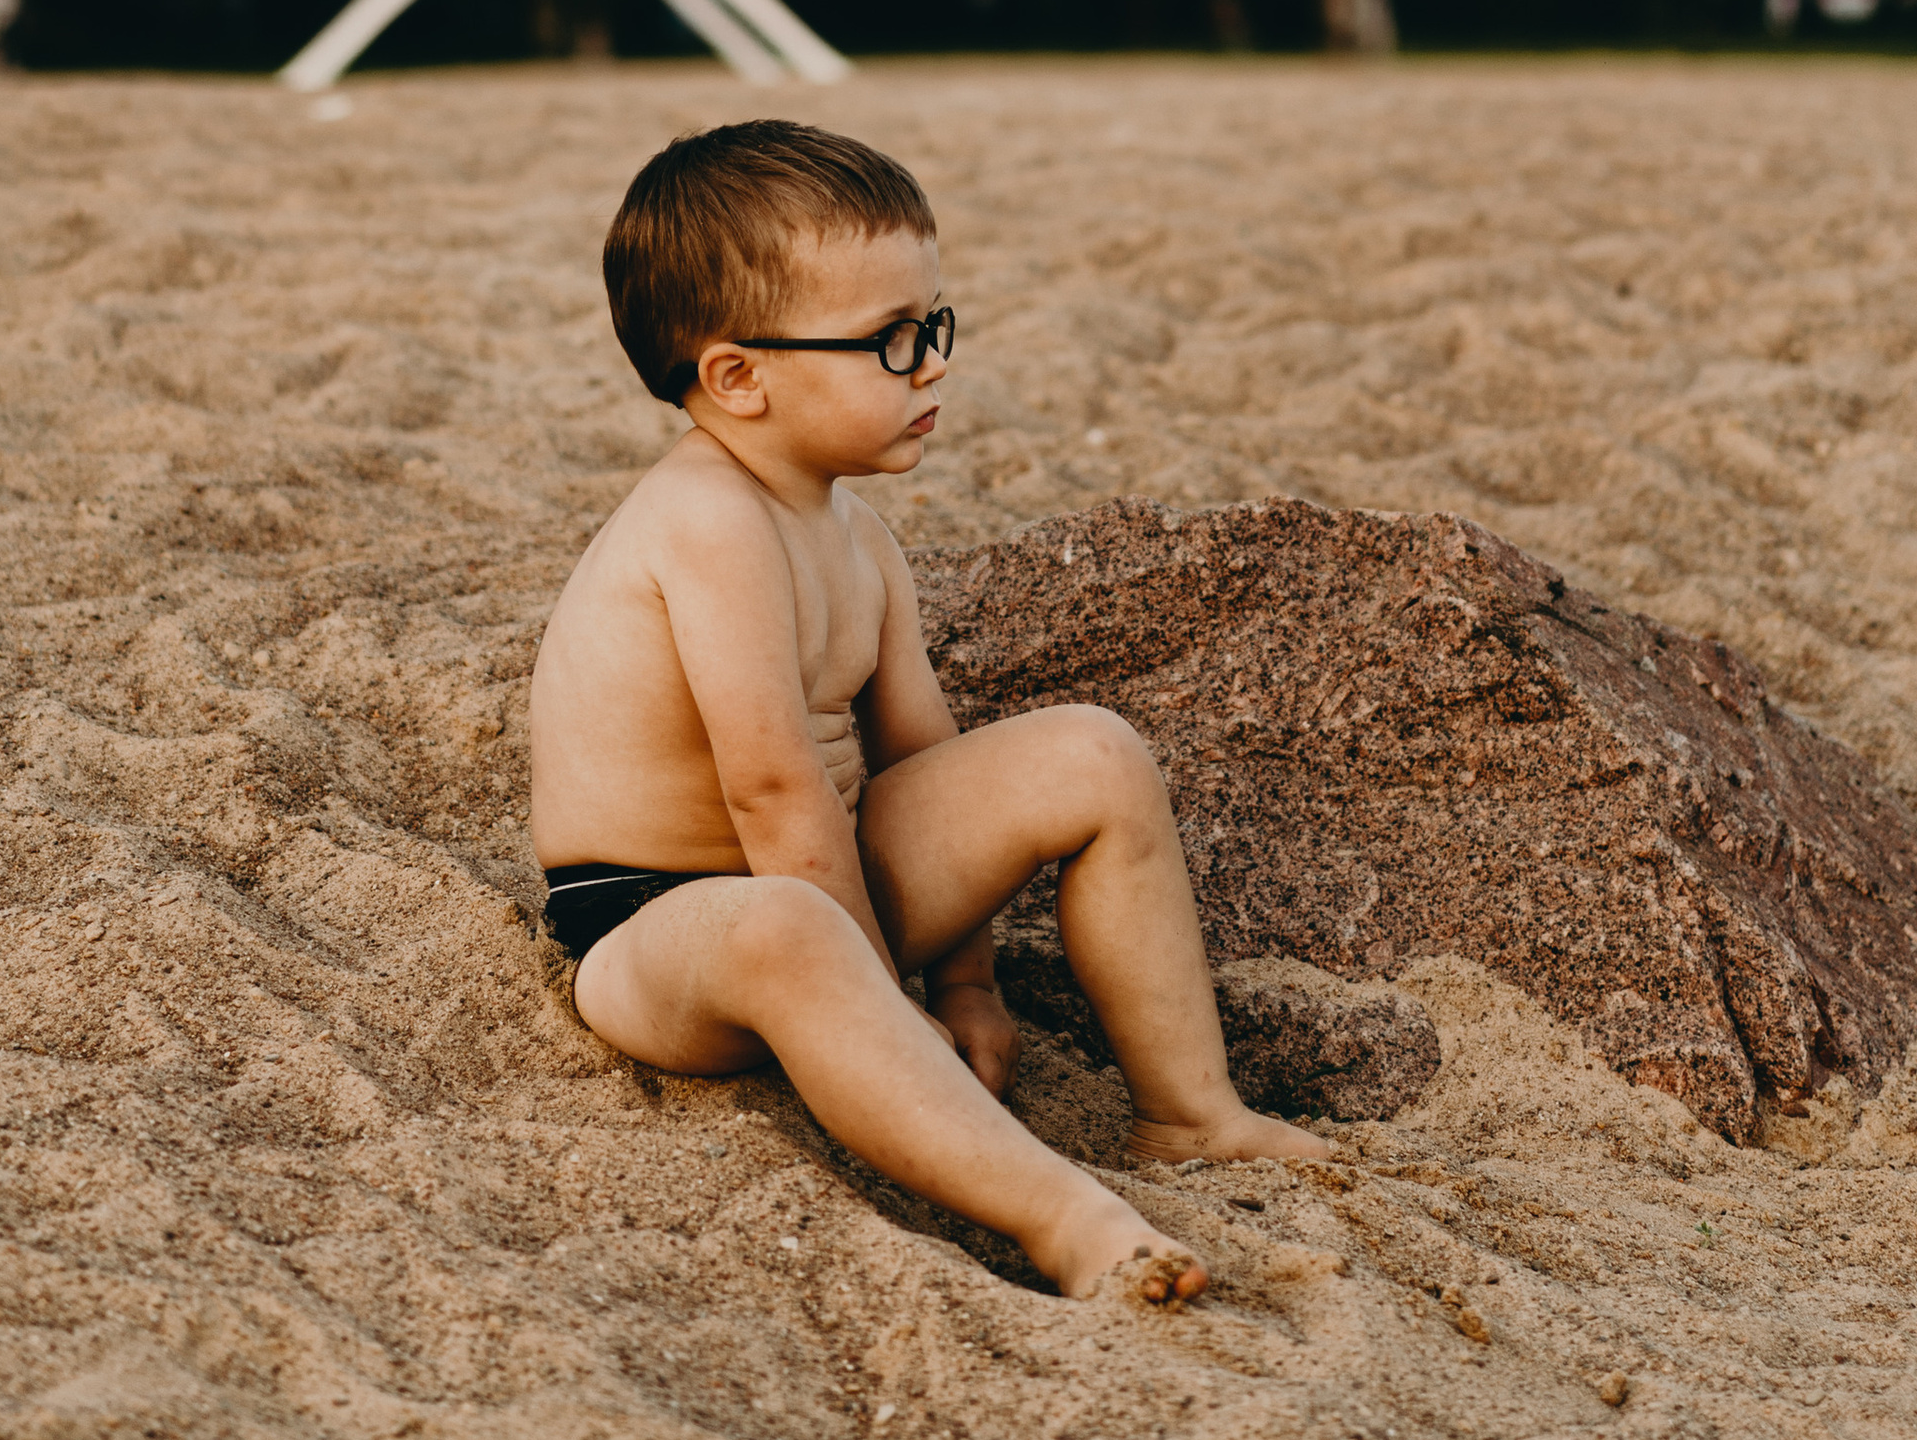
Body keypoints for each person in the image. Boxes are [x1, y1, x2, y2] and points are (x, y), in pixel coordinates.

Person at [528, 120, 1336, 1303]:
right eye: (889, 341)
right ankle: (1064, 1218)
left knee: (1091, 752)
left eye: (933, 325)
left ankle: (1191, 1112)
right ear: (738, 378)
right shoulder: (707, 522)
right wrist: (896, 1016)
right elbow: (771, 787)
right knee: (788, 928)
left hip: (831, 876)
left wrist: (966, 987)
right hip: (662, 928)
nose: (930, 367)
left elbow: (918, 759)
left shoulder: (858, 535)